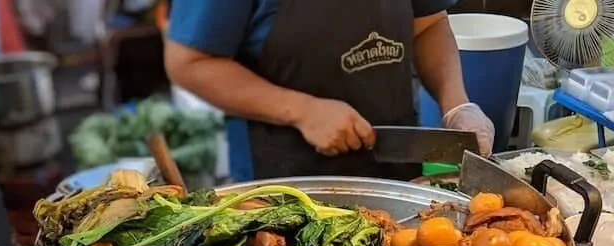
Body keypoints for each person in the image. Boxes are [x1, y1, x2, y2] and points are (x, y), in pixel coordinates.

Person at [164, 0, 494, 182]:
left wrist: (456, 105)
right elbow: (190, 62)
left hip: (396, 175)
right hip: (287, 188)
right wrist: (303, 110)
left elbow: (429, 25)